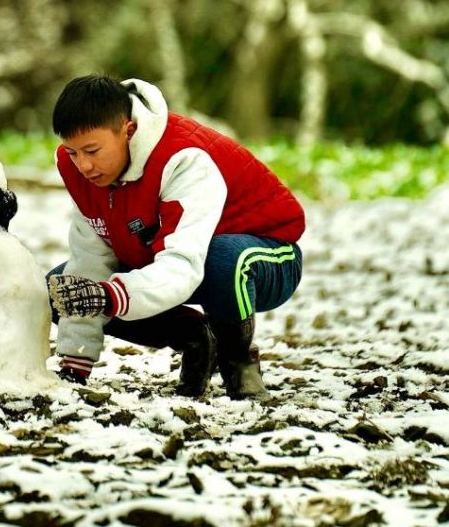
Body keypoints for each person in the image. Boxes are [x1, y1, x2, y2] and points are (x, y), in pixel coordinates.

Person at [46, 75, 305, 400]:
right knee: (62, 288)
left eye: (92, 150)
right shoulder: (85, 172)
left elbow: (183, 263)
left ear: (128, 131)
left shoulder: (183, 159)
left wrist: (110, 296)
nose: (83, 165)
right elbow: (90, 256)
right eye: (72, 153)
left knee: (222, 260)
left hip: (263, 255)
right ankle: (196, 337)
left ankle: (239, 365)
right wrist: (75, 362)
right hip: (165, 254)